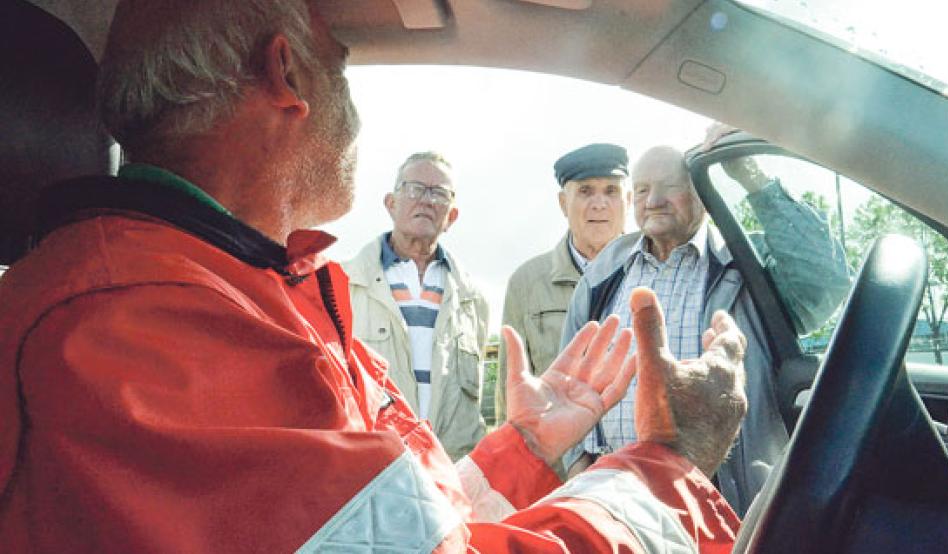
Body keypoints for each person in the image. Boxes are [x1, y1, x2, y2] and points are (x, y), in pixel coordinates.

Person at [1, 1, 746, 551]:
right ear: (286, 70)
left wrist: (519, 449)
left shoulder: (232, 289)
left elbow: (380, 527)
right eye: (343, 64)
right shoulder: (136, 325)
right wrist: (672, 468)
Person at [561, 139, 852, 515]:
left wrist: (752, 178)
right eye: (644, 190)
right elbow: (571, 378)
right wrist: (577, 468)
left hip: (720, 497)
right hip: (617, 496)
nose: (654, 200)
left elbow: (825, 283)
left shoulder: (746, 261)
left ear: (702, 192)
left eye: (672, 187)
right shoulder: (604, 274)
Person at [344, 151, 489, 461]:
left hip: (452, 476)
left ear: (451, 216)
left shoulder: (473, 299)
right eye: (415, 188)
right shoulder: (343, 285)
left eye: (439, 193)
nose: (426, 200)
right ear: (391, 204)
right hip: (373, 472)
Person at [495, 143, 630, 428]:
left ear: (628, 200)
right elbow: (511, 394)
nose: (599, 204)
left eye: (611, 191)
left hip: (635, 462)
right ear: (562, 203)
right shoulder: (527, 283)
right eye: (585, 191)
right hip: (558, 464)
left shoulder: (656, 271)